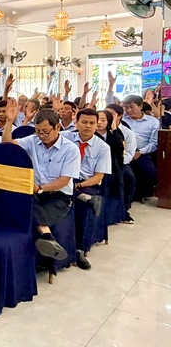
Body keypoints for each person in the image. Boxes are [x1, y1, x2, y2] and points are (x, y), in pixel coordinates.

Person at [2, 101, 81, 261]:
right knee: (17, 206)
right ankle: (48, 237)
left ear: (57, 127)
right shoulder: (33, 140)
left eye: (45, 131)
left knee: (26, 216)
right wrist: (9, 122)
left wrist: (40, 188)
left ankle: (30, 261)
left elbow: (64, 181)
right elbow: (6, 146)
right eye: (38, 131)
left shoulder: (71, 149)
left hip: (58, 197)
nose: (41, 135)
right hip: (35, 193)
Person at [60, 109, 112, 269]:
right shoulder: (64, 137)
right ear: (76, 123)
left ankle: (79, 250)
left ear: (97, 125)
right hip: (64, 178)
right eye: (84, 122)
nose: (87, 126)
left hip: (86, 183)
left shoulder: (103, 147)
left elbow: (98, 177)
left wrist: (79, 185)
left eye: (91, 123)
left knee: (82, 206)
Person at [121, 95, 159, 200]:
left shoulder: (153, 122)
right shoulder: (122, 119)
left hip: (142, 152)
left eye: (132, 107)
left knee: (149, 171)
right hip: (123, 151)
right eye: (126, 107)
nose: (128, 110)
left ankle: (144, 194)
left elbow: (154, 142)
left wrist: (140, 152)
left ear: (140, 106)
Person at [106, 104, 137, 224]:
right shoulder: (100, 129)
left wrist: (116, 163)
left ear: (119, 116)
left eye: (111, 114)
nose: (108, 117)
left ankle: (124, 209)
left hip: (120, 162)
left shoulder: (127, 133)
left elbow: (129, 154)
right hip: (102, 163)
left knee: (128, 177)